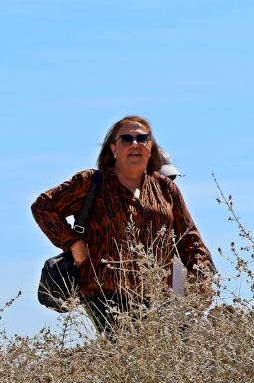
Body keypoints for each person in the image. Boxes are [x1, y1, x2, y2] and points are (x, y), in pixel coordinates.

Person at [31, 116, 214, 335]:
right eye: (126, 139)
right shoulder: (91, 182)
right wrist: (72, 242)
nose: (135, 144)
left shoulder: (166, 189)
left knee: (164, 348)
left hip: (158, 293)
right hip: (105, 294)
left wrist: (202, 276)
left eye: (142, 139)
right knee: (127, 347)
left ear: (150, 147)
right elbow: (44, 206)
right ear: (113, 148)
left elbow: (189, 237)